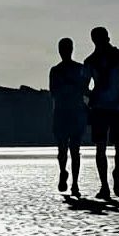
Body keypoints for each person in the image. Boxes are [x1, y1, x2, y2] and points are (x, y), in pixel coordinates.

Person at [83, 26, 119, 200]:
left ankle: (116, 172)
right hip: (101, 109)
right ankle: (104, 186)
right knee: (101, 148)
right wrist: (92, 97)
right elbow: (84, 86)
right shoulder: (90, 61)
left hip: (117, 108)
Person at [49, 38, 87, 198]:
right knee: (63, 149)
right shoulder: (55, 70)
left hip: (74, 112)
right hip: (63, 112)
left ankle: (75, 183)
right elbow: (53, 92)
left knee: (74, 150)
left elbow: (84, 88)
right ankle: (64, 172)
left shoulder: (80, 68)